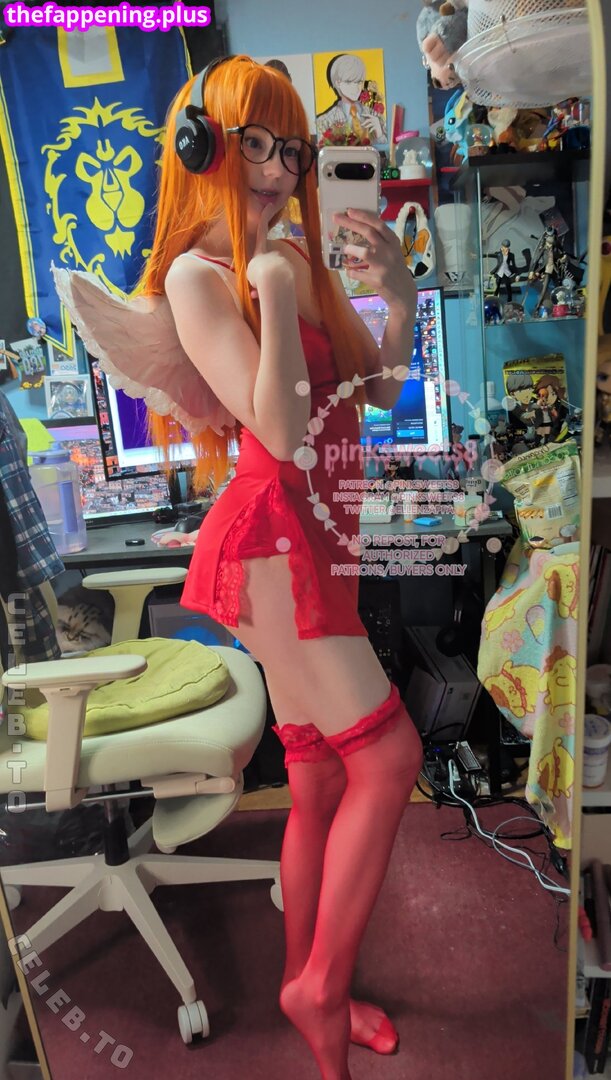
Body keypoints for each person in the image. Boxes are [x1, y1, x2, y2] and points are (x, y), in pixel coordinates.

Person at [63, 55, 423, 1080]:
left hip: (326, 530)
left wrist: (394, 294)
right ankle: (318, 990)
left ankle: (314, 982)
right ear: (203, 148)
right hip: (271, 538)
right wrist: (265, 281)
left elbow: (379, 389)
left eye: (290, 149)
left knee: (318, 778)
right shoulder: (197, 277)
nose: (276, 167)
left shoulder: (293, 258)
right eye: (254, 142)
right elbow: (276, 427)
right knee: (388, 758)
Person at [315, 53, 387, 145]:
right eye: (349, 82)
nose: (356, 88)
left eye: (359, 82)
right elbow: (321, 149)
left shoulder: (374, 115)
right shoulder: (325, 121)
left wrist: (379, 134)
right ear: (338, 83)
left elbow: (387, 148)